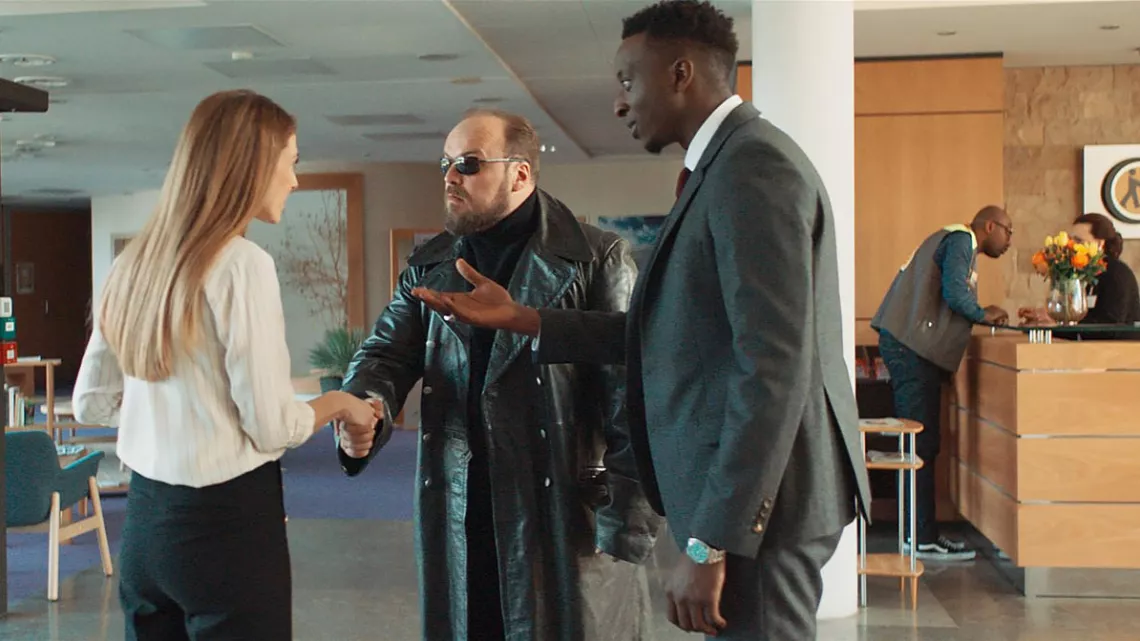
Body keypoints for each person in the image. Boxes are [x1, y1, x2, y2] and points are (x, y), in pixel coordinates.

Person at [409, 3, 870, 639]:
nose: (619, 103)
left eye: (628, 81)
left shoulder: (752, 168)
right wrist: (527, 319)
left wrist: (711, 540)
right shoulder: (724, 167)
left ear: (681, 73)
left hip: (764, 512)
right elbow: (672, 333)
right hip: (755, 506)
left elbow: (772, 367)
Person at [336, 108, 663, 641]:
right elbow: (385, 356)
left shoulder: (596, 258)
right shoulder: (428, 265)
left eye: (467, 163)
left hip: (562, 515)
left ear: (519, 174)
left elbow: (632, 397)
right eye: (445, 163)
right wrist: (366, 404)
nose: (450, 176)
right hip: (462, 507)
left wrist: (626, 522)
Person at [71, 89, 381, 641]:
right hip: (224, 528)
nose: (294, 180)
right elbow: (271, 426)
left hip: (145, 529)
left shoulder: (131, 264)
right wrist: (340, 403)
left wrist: (179, 411)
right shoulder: (242, 265)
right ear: (252, 166)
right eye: (290, 162)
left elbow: (90, 403)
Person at [871, 205, 1013, 561]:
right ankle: (920, 537)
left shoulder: (952, 237)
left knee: (920, 443)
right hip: (911, 350)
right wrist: (984, 314)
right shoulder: (961, 240)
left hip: (907, 346)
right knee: (920, 444)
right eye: (1008, 231)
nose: (1010, 240)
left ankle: (917, 533)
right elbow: (955, 294)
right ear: (990, 226)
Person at [1019, 212, 1140, 328]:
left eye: (1078, 241)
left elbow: (1108, 325)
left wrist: (1055, 324)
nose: (1071, 246)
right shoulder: (1082, 273)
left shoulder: (1118, 274)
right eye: (1070, 240)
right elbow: (1080, 316)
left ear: (1099, 244)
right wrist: (1048, 316)